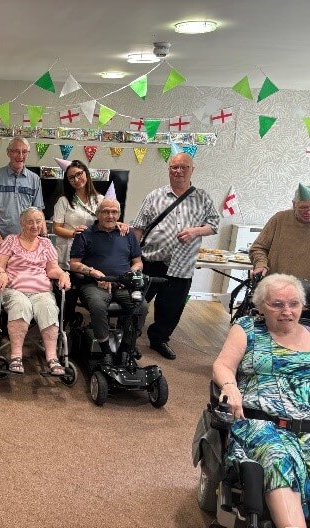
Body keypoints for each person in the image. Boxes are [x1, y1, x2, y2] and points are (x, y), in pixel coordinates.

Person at [212, 273, 310, 527]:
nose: (287, 311)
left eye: (294, 304)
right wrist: (231, 387)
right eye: (277, 304)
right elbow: (223, 364)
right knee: (278, 460)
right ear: (260, 305)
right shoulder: (248, 328)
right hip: (262, 424)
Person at [132, 152, 220, 360]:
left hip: (182, 264)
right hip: (151, 261)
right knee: (136, 303)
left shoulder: (203, 197)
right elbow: (138, 228)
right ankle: (129, 339)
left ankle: (159, 339)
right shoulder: (155, 195)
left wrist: (196, 231)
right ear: (169, 170)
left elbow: (214, 225)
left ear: (192, 170)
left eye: (183, 167)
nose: (178, 171)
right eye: (174, 167)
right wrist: (133, 258)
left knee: (171, 307)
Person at [0, 207, 70, 375]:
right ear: (22, 224)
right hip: (14, 288)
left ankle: (52, 357)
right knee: (21, 306)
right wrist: (2, 274)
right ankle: (16, 356)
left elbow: (52, 270)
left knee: (49, 307)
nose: (35, 225)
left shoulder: (46, 243)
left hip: (41, 290)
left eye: (38, 221)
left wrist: (63, 274)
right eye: (30, 222)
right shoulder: (11, 241)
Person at [69, 198, 145, 364]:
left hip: (123, 285)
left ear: (119, 214)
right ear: (98, 214)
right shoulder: (85, 234)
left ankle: (126, 347)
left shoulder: (128, 234)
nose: (110, 215)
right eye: (105, 211)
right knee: (97, 306)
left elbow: (138, 262)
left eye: (114, 212)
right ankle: (106, 351)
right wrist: (93, 272)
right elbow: (73, 264)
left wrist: (130, 275)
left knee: (141, 306)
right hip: (95, 284)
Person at [0, 137, 44, 301]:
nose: (20, 155)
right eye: (16, 151)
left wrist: (41, 238)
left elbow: (38, 213)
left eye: (24, 152)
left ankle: (15, 317)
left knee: (19, 281)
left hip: (23, 242)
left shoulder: (34, 179)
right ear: (8, 153)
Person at [53, 160, 128, 270]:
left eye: (79, 174)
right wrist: (74, 234)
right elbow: (56, 228)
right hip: (69, 248)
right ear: (68, 181)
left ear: (86, 173)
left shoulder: (100, 200)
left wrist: (120, 224)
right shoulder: (63, 201)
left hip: (93, 249)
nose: (76, 179)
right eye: (71, 177)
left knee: (91, 277)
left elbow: (107, 220)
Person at [250, 182, 310, 281]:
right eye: (303, 208)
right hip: (274, 285)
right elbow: (258, 248)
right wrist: (260, 264)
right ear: (294, 204)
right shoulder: (280, 219)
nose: (308, 212)